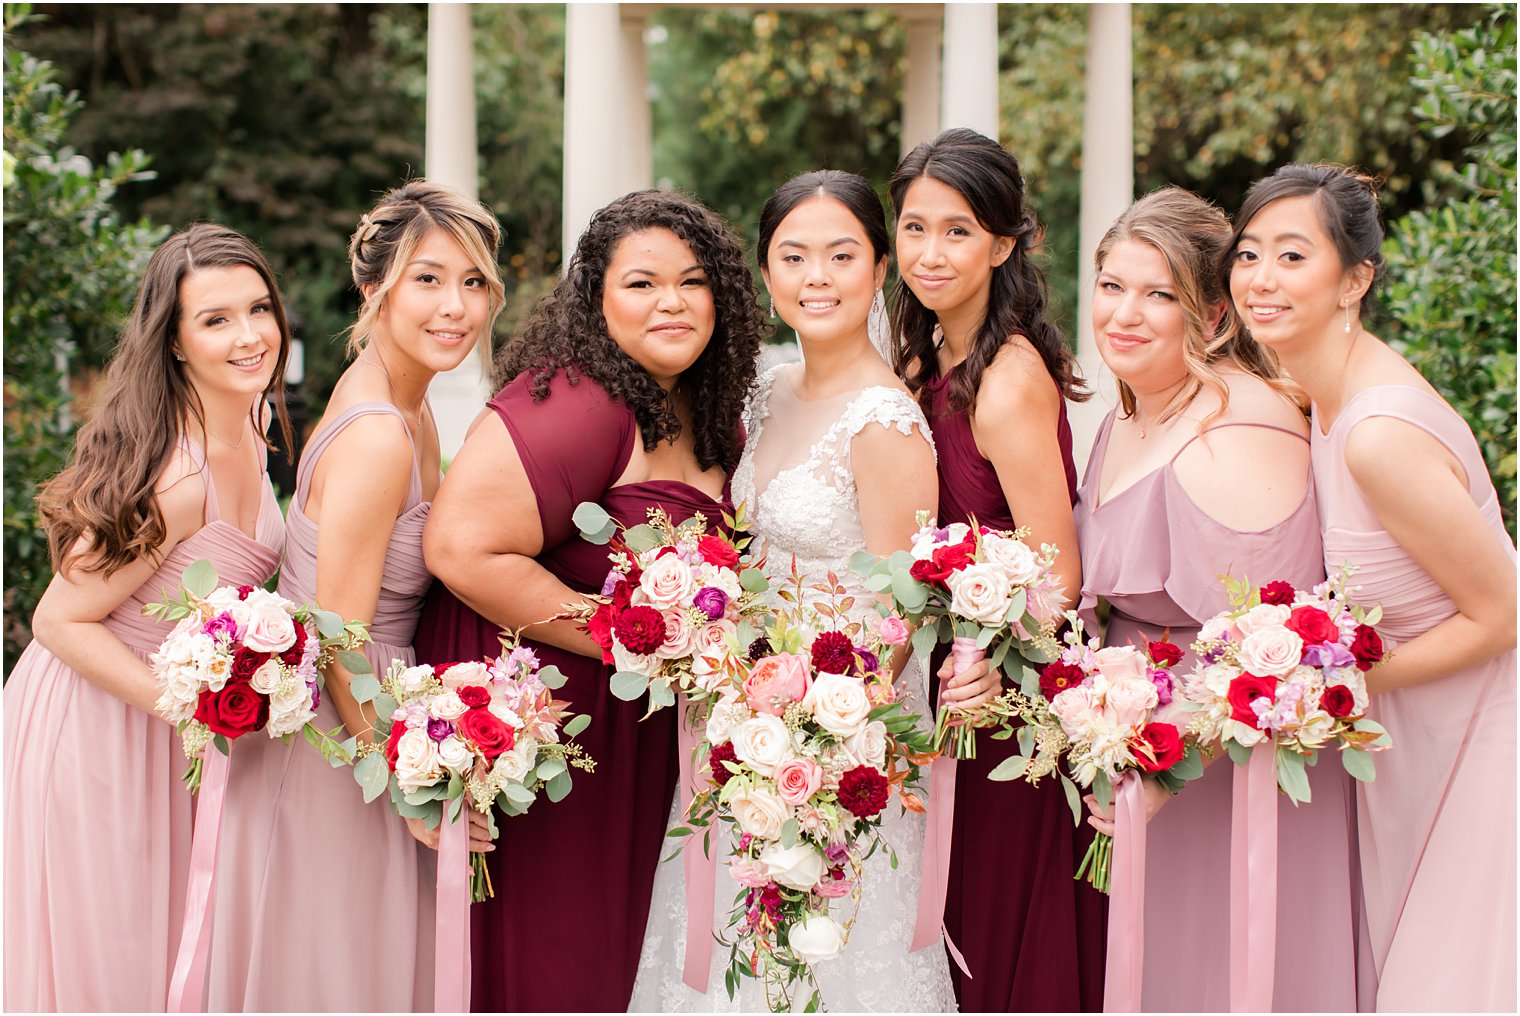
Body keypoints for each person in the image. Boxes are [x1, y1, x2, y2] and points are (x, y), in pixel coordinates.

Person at [412, 189, 764, 1012]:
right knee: (562, 967)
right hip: (561, 738)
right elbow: (462, 548)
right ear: (596, 298)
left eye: (693, 281)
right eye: (641, 283)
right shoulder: (582, 401)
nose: (671, 302)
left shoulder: (708, 414)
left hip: (632, 738)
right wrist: (629, 638)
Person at [630, 170, 954, 1012]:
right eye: (794, 256)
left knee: (821, 950)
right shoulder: (766, 390)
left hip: (838, 732)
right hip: (742, 714)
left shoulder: (883, 420)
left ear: (880, 268)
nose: (817, 277)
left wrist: (820, 744)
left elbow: (904, 610)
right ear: (767, 276)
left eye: (842, 255)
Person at [204, 181, 505, 1011]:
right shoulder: (379, 433)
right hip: (345, 743)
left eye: (475, 283)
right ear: (374, 291)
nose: (457, 307)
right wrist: (401, 780)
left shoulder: (412, 408)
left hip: (378, 715)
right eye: (430, 279)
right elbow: (339, 638)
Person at [1228, 163, 1516, 1012]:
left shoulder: (1378, 435)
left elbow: (1504, 616)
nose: (1262, 280)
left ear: (1356, 279)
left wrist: (1323, 687)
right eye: (1249, 255)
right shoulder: (1315, 394)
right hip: (1405, 752)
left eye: (1292, 256)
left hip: (1481, 752)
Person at [1074, 186, 1359, 1011]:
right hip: (1141, 752)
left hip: (1225, 772)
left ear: (1213, 318)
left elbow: (1278, 645)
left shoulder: (1239, 432)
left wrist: (1171, 763)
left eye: (1158, 294)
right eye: (1112, 285)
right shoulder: (1131, 414)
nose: (1124, 314)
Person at [4, 225, 292, 1011]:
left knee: (175, 951)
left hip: (170, 731)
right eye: (216, 320)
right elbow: (59, 620)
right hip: (98, 725)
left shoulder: (253, 427)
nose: (249, 336)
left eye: (258, 308)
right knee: (116, 959)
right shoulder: (177, 475)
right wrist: (194, 708)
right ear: (173, 342)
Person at [889, 127, 1104, 1011]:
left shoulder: (1007, 375)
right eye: (913, 228)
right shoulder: (924, 358)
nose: (930, 253)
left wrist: (983, 653)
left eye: (958, 231)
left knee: (1005, 924)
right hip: (947, 681)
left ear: (1004, 244)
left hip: (1010, 695)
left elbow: (1059, 570)